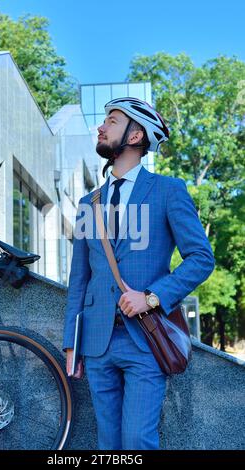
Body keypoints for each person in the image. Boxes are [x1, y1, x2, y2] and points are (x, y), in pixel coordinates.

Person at [62, 97, 215, 450]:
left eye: (112, 121)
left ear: (135, 135)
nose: (101, 127)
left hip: (145, 339)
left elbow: (201, 258)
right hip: (97, 343)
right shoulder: (90, 204)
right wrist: (72, 341)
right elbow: (79, 280)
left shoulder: (168, 191)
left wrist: (152, 296)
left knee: (137, 441)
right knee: (107, 443)